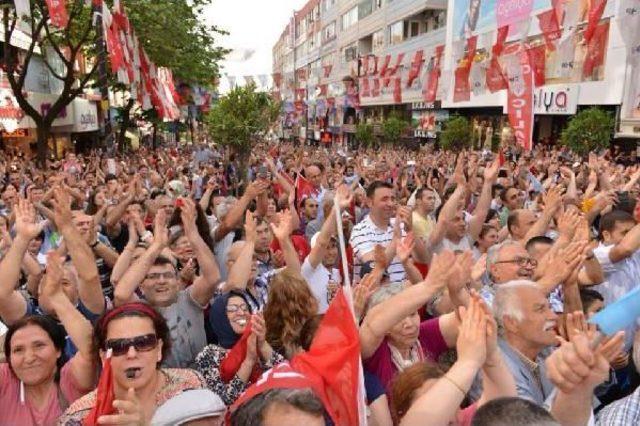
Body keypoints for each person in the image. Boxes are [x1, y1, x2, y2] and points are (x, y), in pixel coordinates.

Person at [113, 198, 221, 367]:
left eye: (168, 275)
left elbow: (212, 277)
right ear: (141, 285)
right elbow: (120, 294)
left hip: (199, 383)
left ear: (178, 281)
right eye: (154, 276)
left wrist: (192, 234)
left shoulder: (190, 300)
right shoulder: (142, 309)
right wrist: (156, 246)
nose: (161, 281)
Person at [59, 302, 207, 424]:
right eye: (118, 346)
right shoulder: (80, 416)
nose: (132, 354)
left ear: (159, 349)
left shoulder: (190, 386)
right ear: (104, 357)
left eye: (143, 342)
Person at [0, 253, 95, 425]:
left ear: (58, 350)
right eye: (18, 350)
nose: (29, 357)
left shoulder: (70, 381)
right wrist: (20, 239)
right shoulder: (6, 378)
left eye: (39, 346)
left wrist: (56, 295)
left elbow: (89, 348)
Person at [395, 295, 517, 425]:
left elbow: (503, 402)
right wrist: (467, 362)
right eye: (436, 398)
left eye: (453, 397)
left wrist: (490, 355)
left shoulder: (462, 420)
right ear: (403, 414)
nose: (447, 406)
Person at [360, 251, 460, 391]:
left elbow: (465, 321)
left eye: (412, 314)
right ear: (386, 327)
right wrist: (428, 286)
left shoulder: (424, 335)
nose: (409, 324)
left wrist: (458, 291)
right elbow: (372, 324)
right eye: (399, 318)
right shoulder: (377, 352)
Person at [195, 292, 283, 405]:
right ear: (220, 316)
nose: (241, 313)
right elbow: (224, 401)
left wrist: (262, 344)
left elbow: (284, 373)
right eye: (232, 309)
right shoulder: (209, 354)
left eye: (245, 308)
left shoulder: (257, 344)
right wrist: (249, 361)